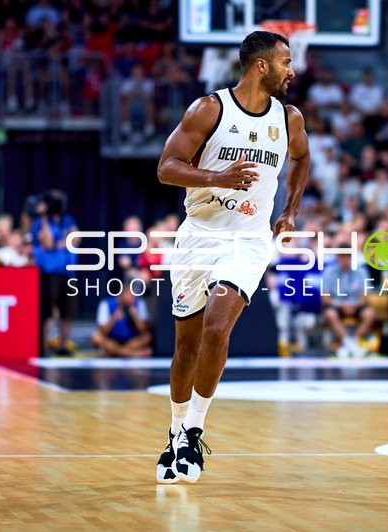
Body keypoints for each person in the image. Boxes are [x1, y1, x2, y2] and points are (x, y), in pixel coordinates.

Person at [155, 30, 309, 484]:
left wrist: (290, 210)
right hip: (199, 235)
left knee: (217, 327)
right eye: (285, 62)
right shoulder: (209, 109)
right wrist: (217, 179)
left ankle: (196, 429)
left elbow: (301, 160)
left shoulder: (290, 118)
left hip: (248, 238)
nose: (291, 70)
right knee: (185, 349)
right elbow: (166, 167)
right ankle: (176, 431)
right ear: (261, 66)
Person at [31, 190, 79, 356]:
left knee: (68, 312)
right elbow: (48, 242)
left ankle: (63, 345)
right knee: (48, 312)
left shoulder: (68, 220)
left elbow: (76, 238)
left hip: (69, 273)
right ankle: (42, 345)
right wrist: (44, 217)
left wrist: (61, 243)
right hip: (49, 273)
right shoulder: (40, 223)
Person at [91, 287, 152, 357]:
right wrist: (114, 318)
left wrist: (135, 316)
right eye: (130, 295)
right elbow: (102, 331)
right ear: (121, 295)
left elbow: (144, 330)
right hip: (112, 340)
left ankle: (115, 352)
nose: (132, 298)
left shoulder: (139, 303)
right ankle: (132, 353)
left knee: (147, 337)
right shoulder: (106, 304)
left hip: (131, 341)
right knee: (96, 338)